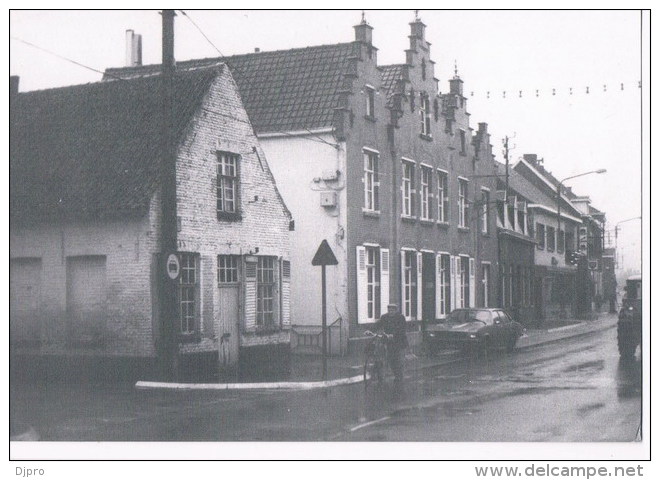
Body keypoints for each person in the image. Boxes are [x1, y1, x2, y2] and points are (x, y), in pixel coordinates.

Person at [375, 303, 408, 383]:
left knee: (399, 360)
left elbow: (402, 329)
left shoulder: (400, 317)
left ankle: (400, 377)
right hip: (389, 342)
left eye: (392, 310)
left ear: (396, 310)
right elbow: (377, 325)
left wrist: (394, 335)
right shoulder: (384, 317)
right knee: (391, 360)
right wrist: (369, 330)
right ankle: (396, 375)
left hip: (400, 342)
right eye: (389, 310)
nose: (391, 312)